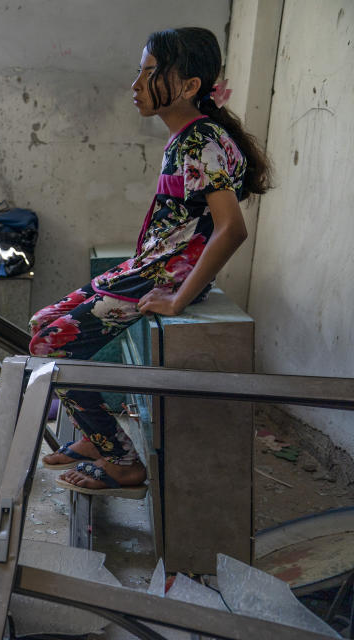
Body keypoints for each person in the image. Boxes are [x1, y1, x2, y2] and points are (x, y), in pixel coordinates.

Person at [32, 27, 272, 497]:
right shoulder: (191, 137)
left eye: (149, 74)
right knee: (44, 321)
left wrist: (180, 298)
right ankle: (94, 437)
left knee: (49, 348)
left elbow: (232, 228)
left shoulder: (200, 141)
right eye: (138, 73)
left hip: (162, 278)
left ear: (188, 86)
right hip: (148, 270)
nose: (135, 86)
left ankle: (121, 461)